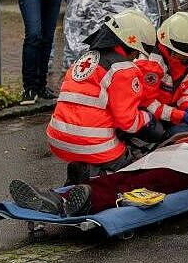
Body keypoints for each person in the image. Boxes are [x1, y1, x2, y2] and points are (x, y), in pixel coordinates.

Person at [10, 119, 188, 217]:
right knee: (126, 177)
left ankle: (79, 201)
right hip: (173, 158)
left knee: (135, 185)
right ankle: (59, 198)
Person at [47, 10, 157, 185]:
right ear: (130, 45)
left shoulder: (84, 58)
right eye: (137, 53)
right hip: (92, 144)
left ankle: (81, 175)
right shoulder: (124, 69)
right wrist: (148, 118)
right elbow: (128, 123)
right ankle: (96, 179)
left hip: (57, 138)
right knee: (132, 165)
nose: (136, 58)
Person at [137, 12, 188, 132]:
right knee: (155, 131)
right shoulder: (153, 63)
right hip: (147, 107)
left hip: (167, 104)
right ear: (170, 47)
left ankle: (174, 132)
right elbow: (147, 102)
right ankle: (165, 139)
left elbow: (185, 87)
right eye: (183, 54)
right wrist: (177, 115)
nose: (186, 57)